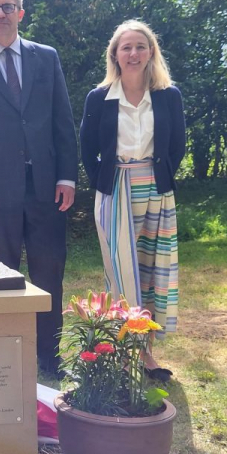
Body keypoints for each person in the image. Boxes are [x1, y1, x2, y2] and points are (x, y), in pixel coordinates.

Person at [0, 0, 78, 375]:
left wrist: (67, 177)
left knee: (48, 274)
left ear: (21, 13)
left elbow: (62, 121)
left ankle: (49, 356)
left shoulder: (46, 58)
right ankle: (2, 358)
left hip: (45, 187)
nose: (0, 15)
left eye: (8, 7)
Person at [80, 20, 185, 379]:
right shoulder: (99, 98)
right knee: (123, 275)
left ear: (151, 51)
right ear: (115, 54)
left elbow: (177, 147)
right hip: (116, 189)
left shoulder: (169, 96)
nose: (134, 53)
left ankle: (148, 356)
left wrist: (162, 178)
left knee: (154, 275)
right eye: (126, 47)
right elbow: (87, 148)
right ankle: (125, 355)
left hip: (156, 189)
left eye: (141, 46)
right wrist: (105, 185)